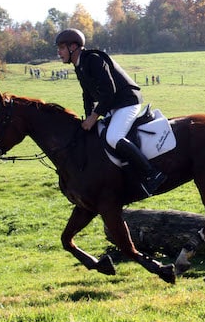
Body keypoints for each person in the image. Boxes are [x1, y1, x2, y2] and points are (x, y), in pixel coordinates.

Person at [55, 28, 166, 196]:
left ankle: (152, 174)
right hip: (114, 105)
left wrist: (93, 117)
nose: (59, 52)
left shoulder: (93, 60)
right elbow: (87, 95)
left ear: (73, 47)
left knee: (114, 137)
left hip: (128, 102)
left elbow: (109, 92)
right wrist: (87, 118)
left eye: (62, 48)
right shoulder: (80, 66)